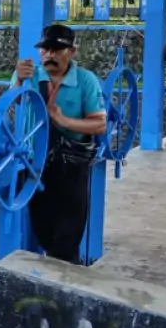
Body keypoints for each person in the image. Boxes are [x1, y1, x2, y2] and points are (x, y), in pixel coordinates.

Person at [12, 25, 106, 265]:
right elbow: (10, 107)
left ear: (71, 51)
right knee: (42, 227)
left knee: (68, 234)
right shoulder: (28, 76)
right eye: (46, 49)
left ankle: (65, 280)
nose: (50, 55)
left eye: (57, 49)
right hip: (35, 165)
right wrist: (17, 81)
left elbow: (99, 125)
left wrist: (63, 120)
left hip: (70, 167)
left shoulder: (86, 81)